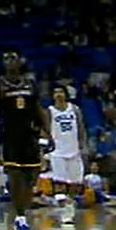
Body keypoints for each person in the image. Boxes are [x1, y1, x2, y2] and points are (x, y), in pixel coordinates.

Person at [0, 50, 47, 230]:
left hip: (30, 135)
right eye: (6, 58)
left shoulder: (30, 83)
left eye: (13, 58)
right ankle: (21, 217)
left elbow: (38, 108)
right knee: (15, 175)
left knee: (32, 175)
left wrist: (48, 132)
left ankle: (23, 209)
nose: (10, 61)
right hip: (9, 136)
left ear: (19, 61)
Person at [47, 86, 83, 223]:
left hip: (74, 149)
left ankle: (69, 204)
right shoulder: (50, 111)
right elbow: (45, 130)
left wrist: (83, 145)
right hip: (57, 151)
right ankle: (64, 212)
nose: (58, 94)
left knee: (76, 183)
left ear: (66, 94)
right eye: (55, 92)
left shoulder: (74, 109)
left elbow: (81, 128)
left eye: (61, 92)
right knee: (60, 182)